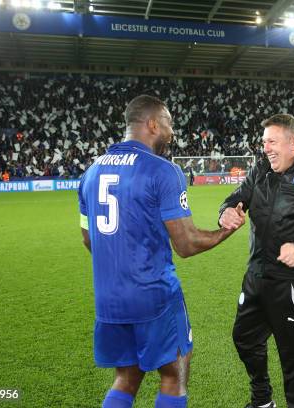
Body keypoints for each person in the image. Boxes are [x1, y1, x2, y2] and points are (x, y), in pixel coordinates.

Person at [78, 95, 245, 408]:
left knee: (126, 376)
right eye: (168, 124)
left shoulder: (91, 172)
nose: (172, 133)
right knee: (175, 373)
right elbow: (187, 244)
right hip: (154, 294)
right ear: (152, 123)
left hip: (109, 299)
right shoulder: (162, 170)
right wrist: (226, 230)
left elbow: (89, 239)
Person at [219, 113, 294, 408]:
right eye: (264, 142)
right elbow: (236, 197)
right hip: (257, 273)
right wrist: (226, 210)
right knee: (244, 338)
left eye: (272, 142)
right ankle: (262, 400)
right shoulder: (260, 169)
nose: (266, 148)